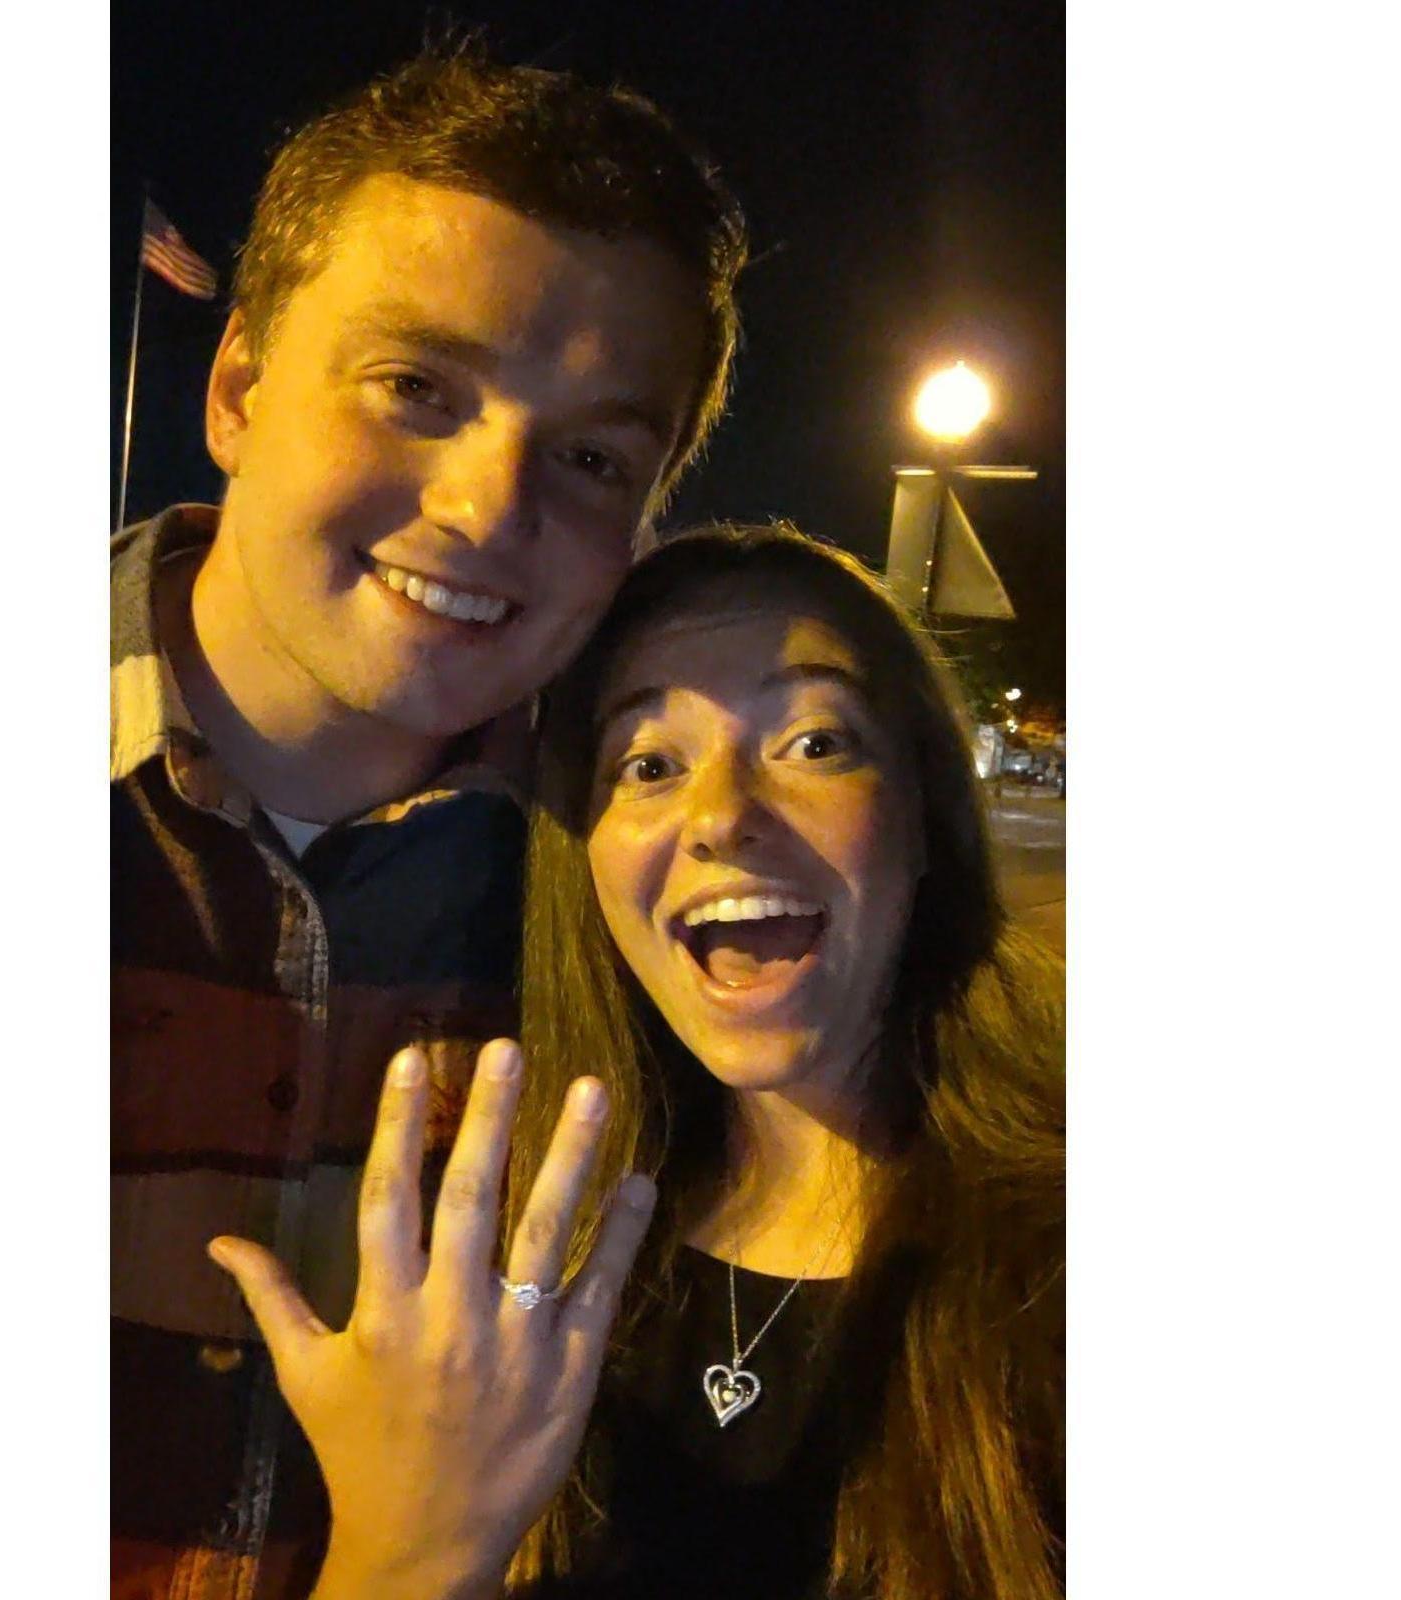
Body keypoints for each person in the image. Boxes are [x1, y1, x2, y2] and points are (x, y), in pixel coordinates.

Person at [111, 43, 747, 1600]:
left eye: (593, 456)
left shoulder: (659, 902)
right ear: (239, 385)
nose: (485, 506)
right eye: (417, 387)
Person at [216, 522, 1065, 1598]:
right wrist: (402, 1546)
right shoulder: (511, 1263)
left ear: (924, 810)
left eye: (813, 742)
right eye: (649, 763)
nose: (721, 816)